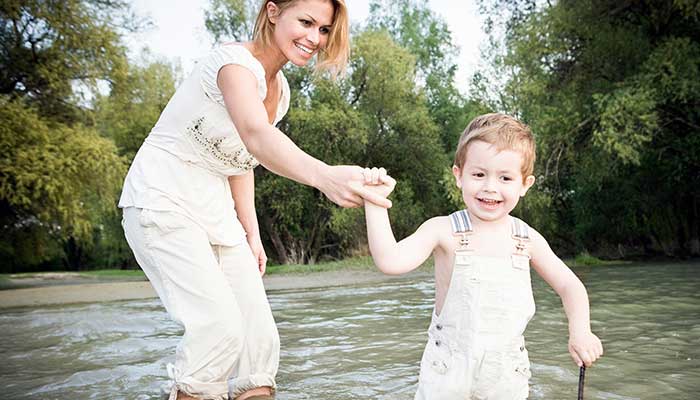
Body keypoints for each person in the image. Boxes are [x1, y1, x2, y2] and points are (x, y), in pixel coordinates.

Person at [119, 1, 390, 399]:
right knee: (218, 329)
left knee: (258, 343)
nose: (314, 38)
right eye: (306, 22)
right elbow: (255, 136)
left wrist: (252, 232)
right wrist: (325, 176)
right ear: (274, 12)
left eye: (324, 30)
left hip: (216, 208)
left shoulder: (280, 93)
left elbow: (242, 158)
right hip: (162, 198)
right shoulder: (233, 65)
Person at [361, 113, 604, 399]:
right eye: (479, 174)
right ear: (458, 175)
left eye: (505, 177)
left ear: (525, 184)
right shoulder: (443, 230)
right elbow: (390, 261)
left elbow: (570, 286)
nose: (490, 186)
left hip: (505, 373)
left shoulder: (527, 240)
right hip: (448, 370)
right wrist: (375, 202)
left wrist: (580, 331)